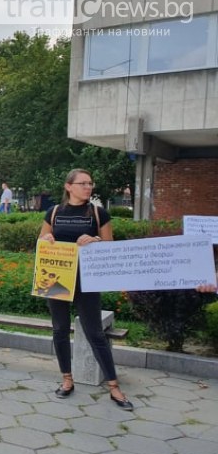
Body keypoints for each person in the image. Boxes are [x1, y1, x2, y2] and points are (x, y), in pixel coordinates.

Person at [38, 168, 134, 411]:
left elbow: (110, 247)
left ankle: (114, 386)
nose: (88, 187)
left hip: (87, 280)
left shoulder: (98, 213)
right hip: (57, 277)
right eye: (83, 183)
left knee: (95, 333)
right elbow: (40, 242)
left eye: (90, 183)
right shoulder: (55, 212)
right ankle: (67, 379)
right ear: (68, 187)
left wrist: (95, 241)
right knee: (59, 329)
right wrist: (46, 240)